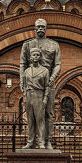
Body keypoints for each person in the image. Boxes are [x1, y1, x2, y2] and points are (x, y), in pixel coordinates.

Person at [20, 18, 61, 149]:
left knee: (48, 113)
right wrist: (22, 81)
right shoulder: (27, 44)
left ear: (46, 28)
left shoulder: (54, 45)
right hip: (31, 81)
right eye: (38, 27)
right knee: (30, 114)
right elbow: (22, 64)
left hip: (48, 82)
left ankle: (47, 141)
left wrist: (52, 77)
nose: (40, 29)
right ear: (34, 28)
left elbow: (58, 64)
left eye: (43, 27)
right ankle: (31, 141)